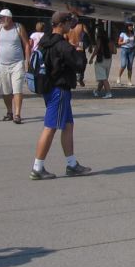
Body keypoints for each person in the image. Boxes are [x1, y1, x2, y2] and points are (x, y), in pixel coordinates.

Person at [30, 11, 91, 180]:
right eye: (69, 23)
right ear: (62, 24)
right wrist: (78, 46)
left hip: (49, 88)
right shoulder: (61, 45)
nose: (71, 26)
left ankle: (72, 164)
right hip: (59, 90)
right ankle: (37, 167)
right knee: (50, 127)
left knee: (68, 125)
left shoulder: (45, 41)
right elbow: (79, 65)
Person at [0, 9, 30, 124]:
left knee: (17, 88)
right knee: (5, 90)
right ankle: (9, 112)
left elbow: (26, 44)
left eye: (1, 18)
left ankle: (17, 114)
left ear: (8, 18)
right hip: (1, 64)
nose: (0, 20)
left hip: (17, 63)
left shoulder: (18, 27)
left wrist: (28, 60)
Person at [89, 22, 113, 99]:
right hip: (108, 60)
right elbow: (114, 51)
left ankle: (108, 93)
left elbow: (96, 49)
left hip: (101, 60)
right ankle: (97, 91)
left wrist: (91, 58)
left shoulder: (99, 40)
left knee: (103, 78)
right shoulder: (109, 40)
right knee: (103, 77)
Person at [67, 17, 90, 88]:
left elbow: (64, 37)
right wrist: (90, 44)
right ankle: (80, 77)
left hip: (70, 46)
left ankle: (73, 78)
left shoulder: (68, 27)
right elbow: (87, 34)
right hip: (80, 46)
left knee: (72, 63)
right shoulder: (82, 26)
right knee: (82, 63)